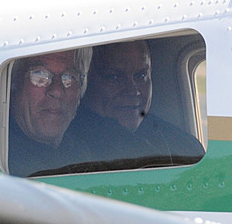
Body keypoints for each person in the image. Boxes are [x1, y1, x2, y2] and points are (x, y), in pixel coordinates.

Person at [69, 40, 204, 170]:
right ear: (84, 83)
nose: (133, 91)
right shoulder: (70, 149)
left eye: (140, 75)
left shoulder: (184, 146)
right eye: (114, 77)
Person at [8, 48, 93, 177]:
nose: (57, 91)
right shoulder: (6, 157)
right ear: (15, 83)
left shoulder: (79, 153)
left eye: (68, 78)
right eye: (40, 75)